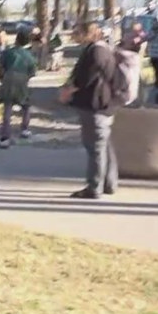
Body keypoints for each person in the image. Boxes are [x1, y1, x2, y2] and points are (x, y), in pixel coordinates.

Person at [61, 22, 121, 199]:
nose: (74, 37)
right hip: (103, 103)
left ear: (88, 34)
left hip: (94, 103)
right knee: (103, 144)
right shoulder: (103, 50)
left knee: (95, 147)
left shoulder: (95, 51)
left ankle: (95, 186)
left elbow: (84, 78)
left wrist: (67, 91)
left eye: (77, 33)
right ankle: (108, 183)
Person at [0, 30, 37, 149]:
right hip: (22, 78)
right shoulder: (29, 55)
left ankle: (5, 137)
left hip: (8, 77)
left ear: (16, 39)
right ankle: (24, 129)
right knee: (26, 104)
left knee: (8, 106)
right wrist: (25, 79)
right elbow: (32, 72)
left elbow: (0, 67)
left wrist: (2, 78)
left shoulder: (8, 52)